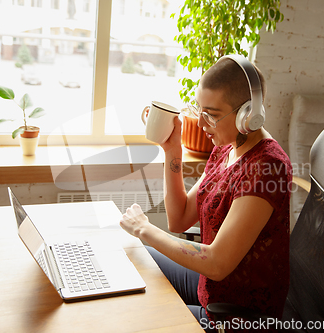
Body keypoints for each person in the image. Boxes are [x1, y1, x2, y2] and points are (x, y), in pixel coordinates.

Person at [120, 55, 292, 332]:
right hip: (210, 289)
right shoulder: (227, 148)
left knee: (139, 317)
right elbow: (179, 219)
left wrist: (145, 229)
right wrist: (172, 151)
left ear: (249, 113)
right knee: (133, 255)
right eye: (199, 110)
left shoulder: (267, 168)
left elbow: (217, 263)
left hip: (238, 317)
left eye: (211, 114)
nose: (200, 124)